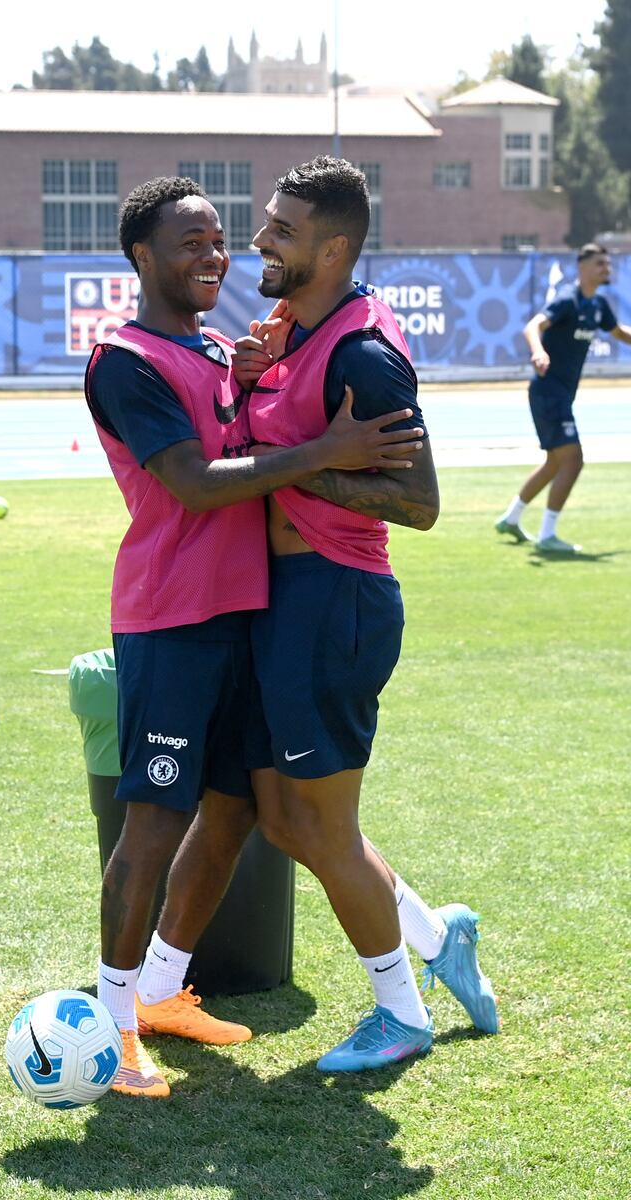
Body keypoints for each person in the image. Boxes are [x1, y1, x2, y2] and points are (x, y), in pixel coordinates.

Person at [84, 175, 425, 1098]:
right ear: (142, 257)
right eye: (188, 242)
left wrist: (256, 376)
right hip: (173, 620)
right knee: (153, 825)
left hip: (251, 611)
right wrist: (324, 451)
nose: (215, 256)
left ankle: (161, 990)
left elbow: (272, 440)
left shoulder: (216, 350)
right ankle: (117, 1031)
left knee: (238, 811)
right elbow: (197, 483)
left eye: (220, 240)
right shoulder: (124, 361)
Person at [231, 155, 498, 1073]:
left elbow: (419, 503)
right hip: (283, 602)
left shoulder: (362, 352)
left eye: (282, 230)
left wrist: (304, 460)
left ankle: (402, 1013)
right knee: (284, 816)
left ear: (334, 247)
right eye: (266, 222)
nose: (259, 240)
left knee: (322, 826)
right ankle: (434, 936)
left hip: (333, 601)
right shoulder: (292, 331)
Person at [495, 242, 631, 552]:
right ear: (582, 267)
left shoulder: (598, 305)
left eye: (608, 265)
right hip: (548, 392)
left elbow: (620, 333)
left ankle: (511, 517)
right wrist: (539, 350)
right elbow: (534, 326)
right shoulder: (568, 300)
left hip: (560, 395)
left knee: (556, 462)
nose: (606, 269)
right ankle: (547, 535)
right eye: (600, 264)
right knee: (574, 459)